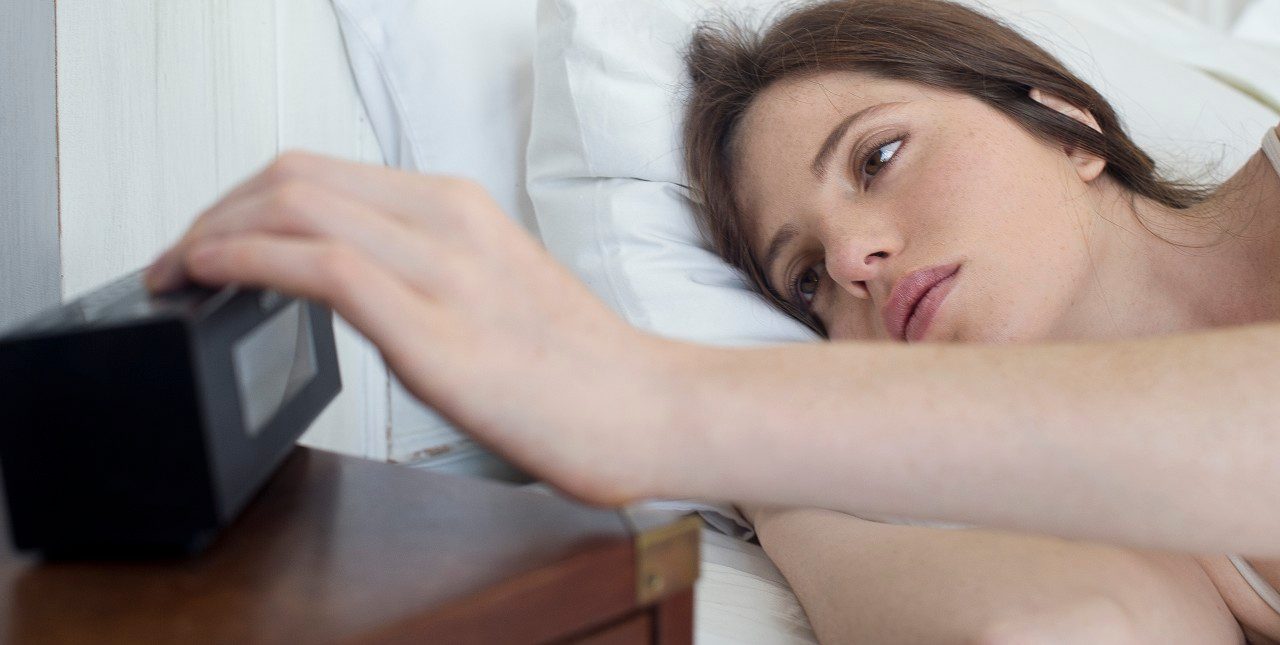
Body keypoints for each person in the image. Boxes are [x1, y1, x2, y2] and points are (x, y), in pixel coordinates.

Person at [141, 0, 1280, 640]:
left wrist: (661, 405)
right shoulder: (1124, 525)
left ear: (1068, 123)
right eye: (801, 290)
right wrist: (781, 487)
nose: (848, 259)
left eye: (878, 156)